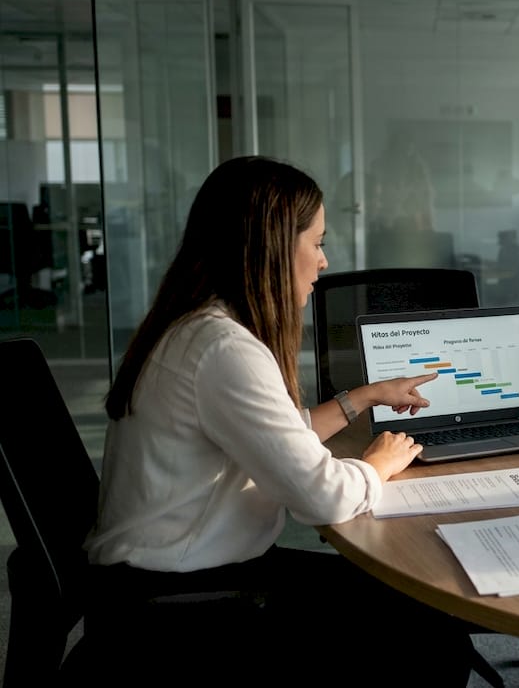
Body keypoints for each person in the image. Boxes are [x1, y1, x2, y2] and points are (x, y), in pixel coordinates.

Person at [83, 156, 474, 684]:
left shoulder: (198, 325)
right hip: (180, 601)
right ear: (271, 246)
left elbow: (276, 437)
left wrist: (364, 396)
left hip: (163, 572)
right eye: (316, 242)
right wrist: (378, 465)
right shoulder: (225, 349)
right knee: (429, 630)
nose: (324, 261)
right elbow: (322, 497)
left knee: (409, 600)